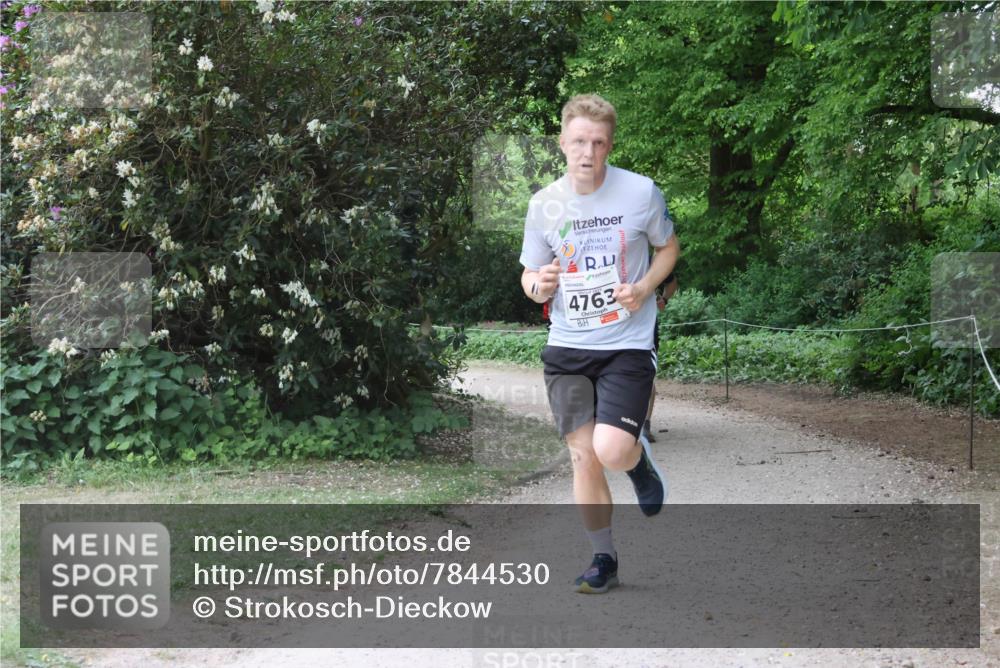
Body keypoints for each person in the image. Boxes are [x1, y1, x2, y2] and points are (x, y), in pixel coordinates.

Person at [519, 94, 680, 594]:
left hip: (626, 343)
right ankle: (602, 558)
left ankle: (636, 461)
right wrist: (539, 286)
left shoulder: (640, 193)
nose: (588, 152)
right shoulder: (543, 204)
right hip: (567, 346)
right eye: (579, 142)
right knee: (583, 455)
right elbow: (530, 275)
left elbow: (668, 247)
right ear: (562, 142)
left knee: (611, 450)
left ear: (609, 145)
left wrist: (645, 287)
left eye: (598, 142)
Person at [642, 271, 677, 444]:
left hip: (645, 329)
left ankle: (645, 425)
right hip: (611, 329)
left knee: (647, 374)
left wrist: (664, 300)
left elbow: (671, 282)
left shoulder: (651, 262)